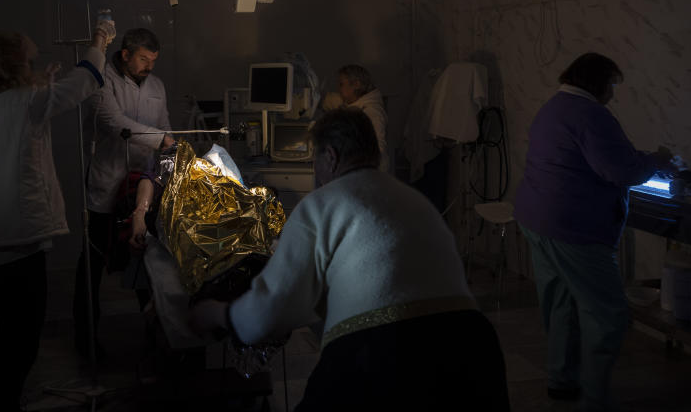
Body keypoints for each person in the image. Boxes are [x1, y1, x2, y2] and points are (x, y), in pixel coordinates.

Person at [189, 108, 510, 410]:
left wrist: (218, 313)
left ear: (331, 156)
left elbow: (269, 312)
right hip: (474, 346)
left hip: (383, 351)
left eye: (316, 159)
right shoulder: (414, 200)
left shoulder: (321, 204)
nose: (316, 169)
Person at [0, 19, 115, 412]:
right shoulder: (27, 101)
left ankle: (5, 398)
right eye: (28, 61)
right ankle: (4, 403)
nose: (32, 67)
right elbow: (86, 79)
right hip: (17, 241)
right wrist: (100, 39)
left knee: (8, 333)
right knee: (21, 338)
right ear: (15, 65)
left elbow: (19, 124)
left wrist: (42, 87)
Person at [513, 52, 676, 411]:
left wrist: (641, 159)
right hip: (572, 227)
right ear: (597, 81)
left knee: (560, 303)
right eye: (612, 86)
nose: (613, 95)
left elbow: (598, 157)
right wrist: (657, 161)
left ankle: (561, 380)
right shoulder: (591, 114)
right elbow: (619, 170)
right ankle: (595, 397)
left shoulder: (554, 107)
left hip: (536, 218)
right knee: (608, 314)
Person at [73, 27, 174, 358]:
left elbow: (167, 131)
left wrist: (172, 158)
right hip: (107, 186)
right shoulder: (101, 79)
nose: (150, 66)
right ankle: (85, 337)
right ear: (126, 54)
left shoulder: (156, 86)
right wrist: (161, 140)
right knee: (92, 265)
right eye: (144, 59)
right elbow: (116, 124)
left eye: (154, 60)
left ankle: (156, 332)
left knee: (149, 261)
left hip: (143, 187)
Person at [335, 64, 389, 172]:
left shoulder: (371, 112)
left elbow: (376, 149)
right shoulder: (356, 105)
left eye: (341, 84)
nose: (339, 88)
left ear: (356, 84)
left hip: (370, 174)